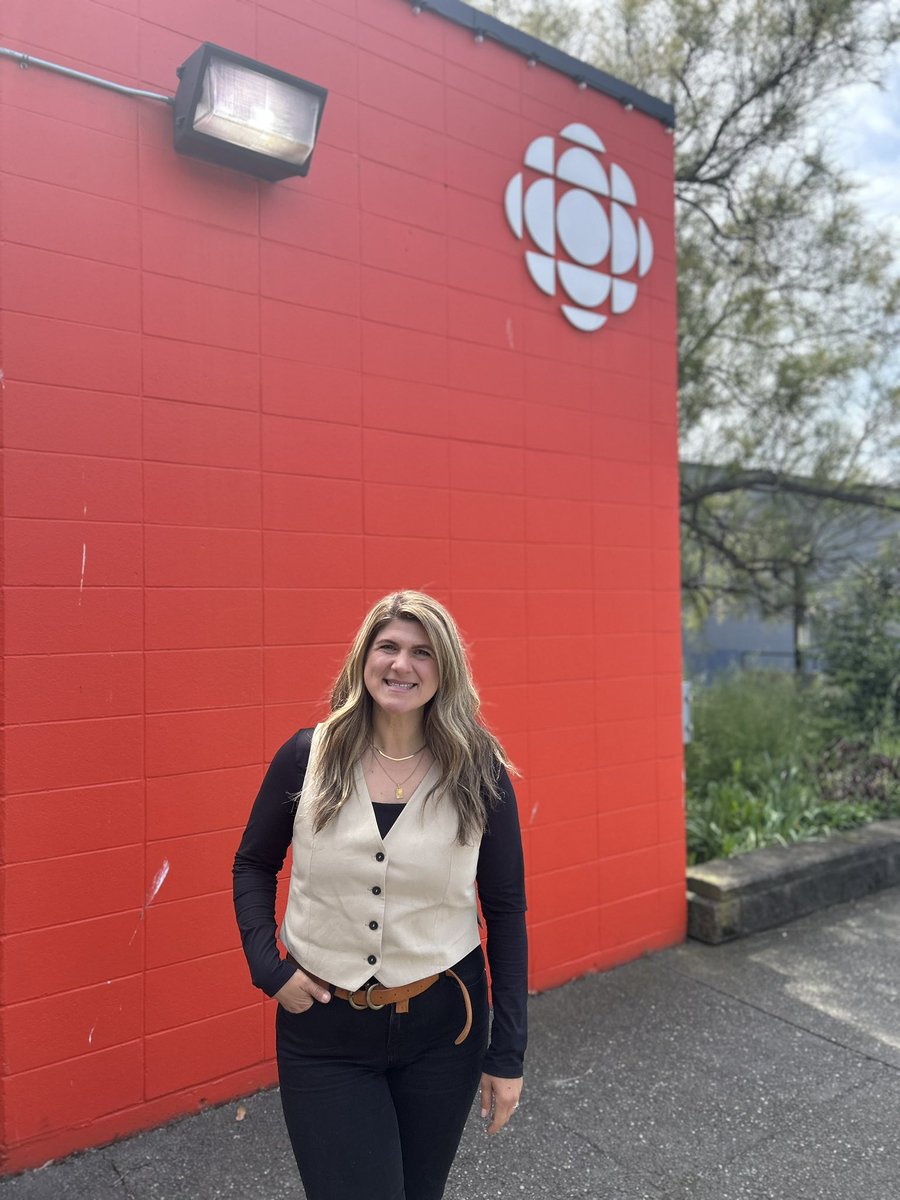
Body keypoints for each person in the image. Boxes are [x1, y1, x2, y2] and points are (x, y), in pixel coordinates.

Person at [233, 590, 527, 1200]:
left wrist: (508, 1054)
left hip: (444, 1029)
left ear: (444, 669)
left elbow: (504, 911)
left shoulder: (479, 769)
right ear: (363, 658)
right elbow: (252, 865)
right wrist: (268, 966)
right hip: (325, 1033)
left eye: (422, 652)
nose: (401, 665)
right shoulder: (305, 757)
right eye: (387, 647)